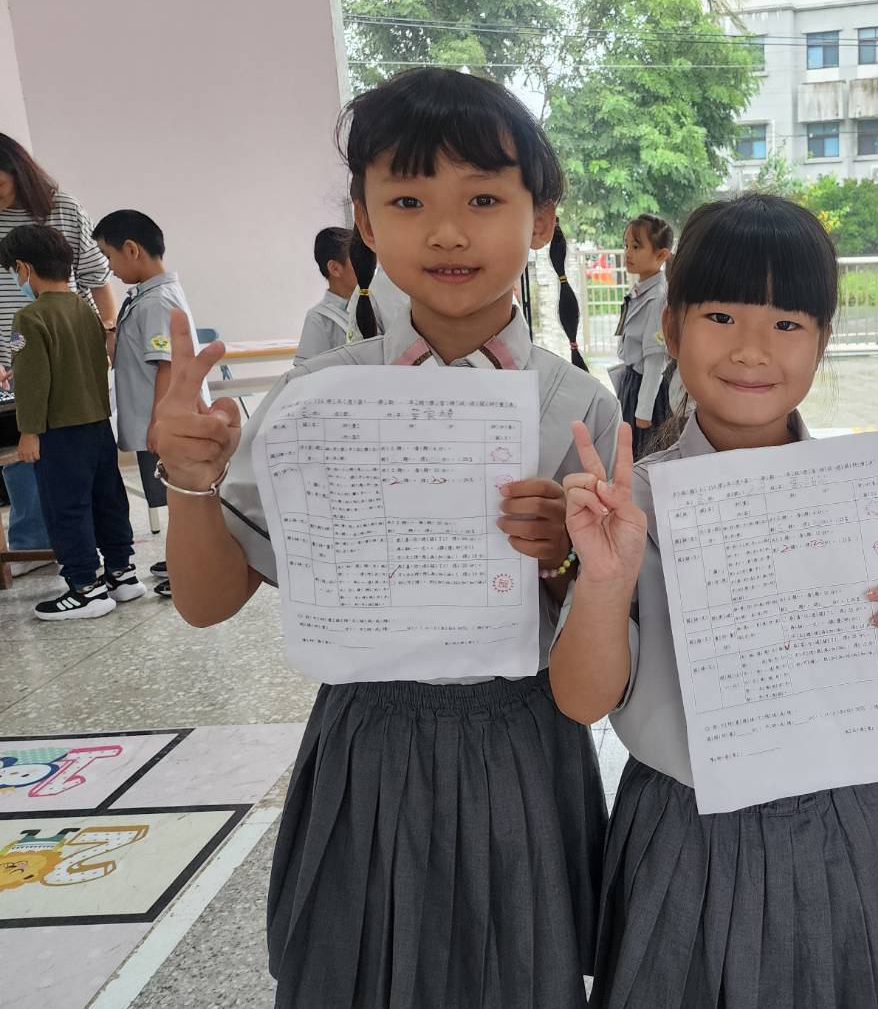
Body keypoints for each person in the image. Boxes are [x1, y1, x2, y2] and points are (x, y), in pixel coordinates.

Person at [150, 68, 618, 1007]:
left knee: (518, 972)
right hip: (367, 739)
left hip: (520, 740)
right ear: (365, 223)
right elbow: (206, 602)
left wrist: (563, 560)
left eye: (482, 199)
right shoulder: (318, 398)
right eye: (408, 201)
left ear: (538, 220)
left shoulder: (579, 407)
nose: (446, 232)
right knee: (358, 967)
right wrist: (191, 481)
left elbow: (604, 631)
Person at [551, 193, 878, 1009]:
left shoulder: (859, 500)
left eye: (787, 323)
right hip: (683, 832)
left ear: (822, 343)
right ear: (672, 331)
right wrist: (603, 581)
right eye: (721, 316)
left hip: (846, 826)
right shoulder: (633, 507)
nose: (751, 349)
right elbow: (582, 699)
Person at [0, 224, 141, 619]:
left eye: (13, 270)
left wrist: (29, 432)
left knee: (66, 507)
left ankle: (85, 588)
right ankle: (122, 574)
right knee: (107, 499)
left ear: (25, 268)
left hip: (59, 432)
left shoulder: (28, 318)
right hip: (97, 424)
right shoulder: (86, 309)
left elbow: (33, 383)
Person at [0, 133, 119, 572]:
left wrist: (107, 335)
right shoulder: (30, 320)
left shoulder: (61, 207)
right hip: (19, 356)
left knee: (61, 476)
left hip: (64, 351)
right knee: (66, 471)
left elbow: (97, 278)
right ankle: (45, 547)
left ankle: (81, 570)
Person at [93, 209, 204, 599]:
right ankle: (182, 559)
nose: (109, 267)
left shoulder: (157, 301)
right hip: (154, 420)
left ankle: (193, 569)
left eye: (108, 256)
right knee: (172, 495)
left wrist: (159, 421)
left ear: (131, 249)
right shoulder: (147, 296)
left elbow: (166, 366)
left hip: (163, 422)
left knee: (180, 498)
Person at [611, 213, 673, 455]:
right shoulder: (640, 289)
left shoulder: (658, 298)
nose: (628, 253)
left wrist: (644, 410)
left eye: (636, 247)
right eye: (626, 245)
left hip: (646, 388)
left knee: (643, 453)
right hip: (632, 382)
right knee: (629, 450)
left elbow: (655, 360)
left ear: (661, 255)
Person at [295, 226, 386, 362]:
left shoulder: (378, 301)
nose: (367, 265)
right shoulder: (319, 319)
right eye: (358, 259)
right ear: (335, 268)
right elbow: (309, 371)